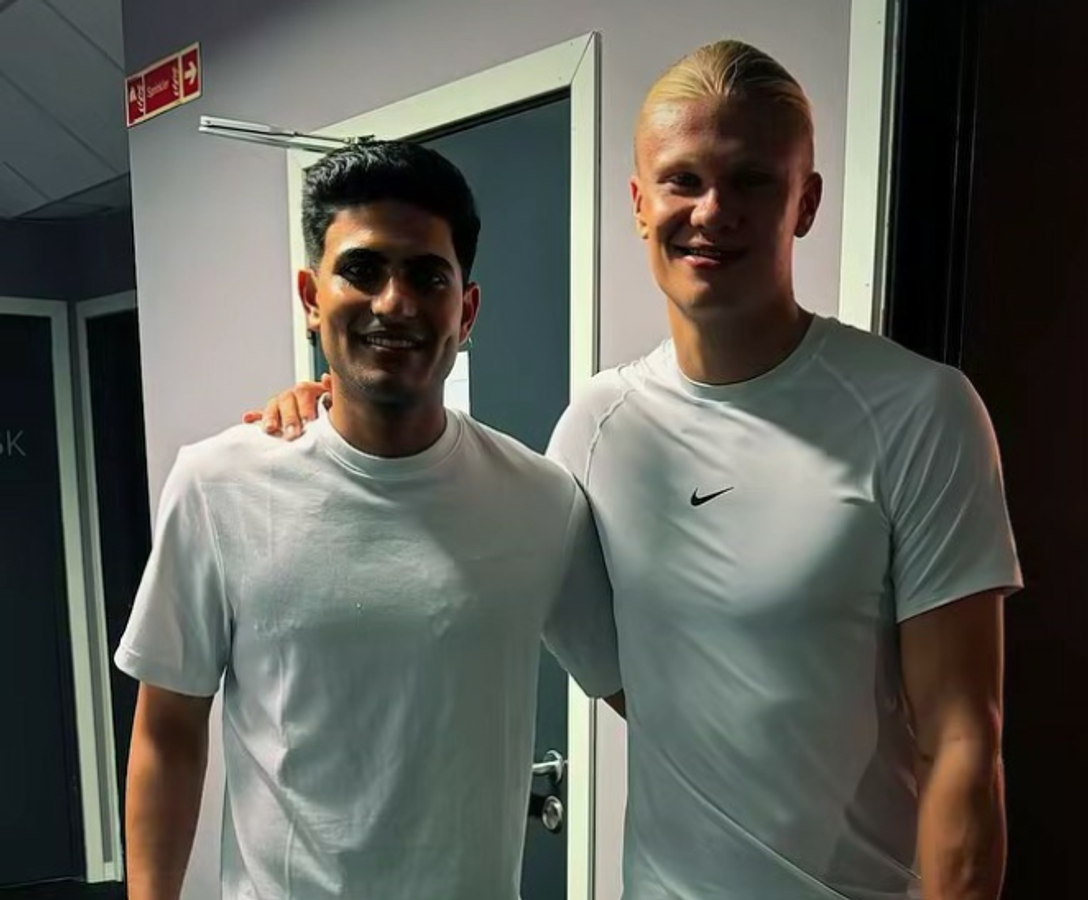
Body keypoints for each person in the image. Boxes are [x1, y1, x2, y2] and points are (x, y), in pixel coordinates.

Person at [251, 41, 1022, 900]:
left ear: (805, 202)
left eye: (752, 180)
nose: (713, 211)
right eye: (683, 180)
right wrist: (334, 415)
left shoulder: (919, 411)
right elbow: (635, 683)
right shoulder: (595, 427)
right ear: (639, 205)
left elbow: (964, 740)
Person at [117, 139, 621, 900]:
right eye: (362, 270)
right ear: (310, 296)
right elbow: (168, 732)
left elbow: (639, 687)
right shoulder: (217, 486)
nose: (394, 302)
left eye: (427, 275)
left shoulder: (541, 500)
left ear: (466, 310)